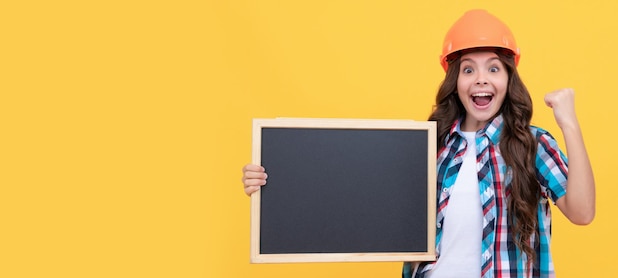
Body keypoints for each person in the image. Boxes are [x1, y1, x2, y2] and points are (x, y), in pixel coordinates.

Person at [241, 9, 595, 278]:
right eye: (468, 69)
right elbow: (355, 198)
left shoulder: (532, 144)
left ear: (508, 77)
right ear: (455, 81)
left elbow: (582, 213)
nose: (480, 80)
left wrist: (569, 123)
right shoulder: (430, 146)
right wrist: (276, 186)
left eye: (493, 68)